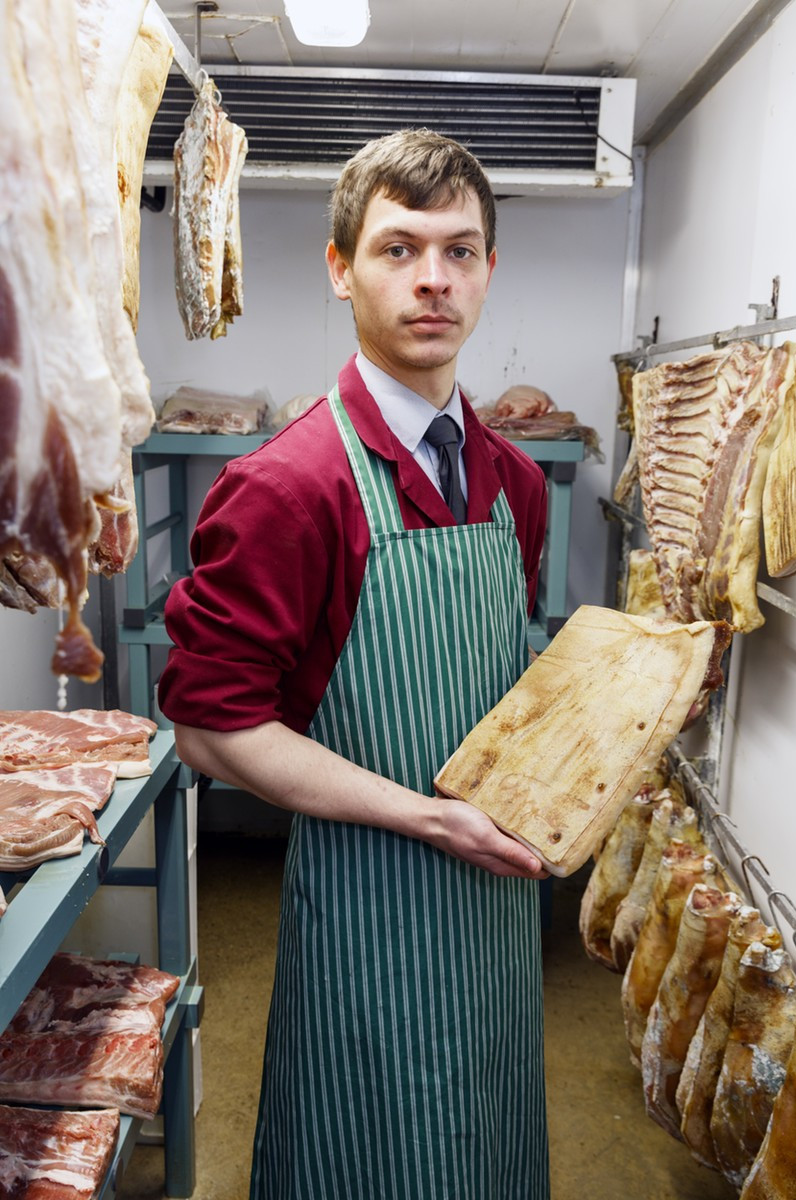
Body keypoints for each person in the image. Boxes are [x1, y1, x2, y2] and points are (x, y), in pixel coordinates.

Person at [158, 127, 551, 1199]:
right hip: (370, 910)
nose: (433, 280)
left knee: (487, 1138)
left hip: (498, 908)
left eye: (459, 251)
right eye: (396, 249)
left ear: (487, 272)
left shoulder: (513, 484)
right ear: (340, 270)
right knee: (365, 1152)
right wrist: (428, 817)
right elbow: (209, 726)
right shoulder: (289, 488)